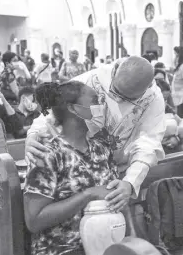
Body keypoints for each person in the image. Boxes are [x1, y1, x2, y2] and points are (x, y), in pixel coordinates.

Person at [25, 56, 166, 216]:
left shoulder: (153, 99)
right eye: (115, 91)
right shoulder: (93, 79)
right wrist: (34, 134)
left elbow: (148, 143)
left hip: (114, 168)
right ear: (116, 71)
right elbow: (57, 108)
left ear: (145, 90)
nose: (117, 100)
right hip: (76, 164)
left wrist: (130, 182)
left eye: (127, 99)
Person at [24, 81, 118, 255]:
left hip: (103, 245)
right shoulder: (48, 154)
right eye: (94, 100)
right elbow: (34, 220)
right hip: (62, 249)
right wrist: (88, 194)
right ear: (73, 109)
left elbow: (115, 199)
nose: (100, 106)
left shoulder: (101, 149)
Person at [156, 79, 183, 152]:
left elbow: (181, 121)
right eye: (162, 99)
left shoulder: (166, 107)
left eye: (166, 99)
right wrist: (177, 131)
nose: (164, 102)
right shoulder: (148, 112)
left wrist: (176, 136)